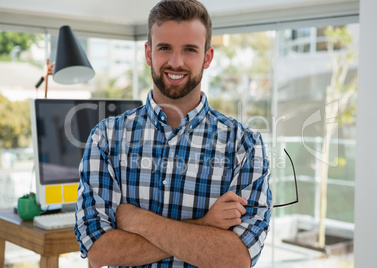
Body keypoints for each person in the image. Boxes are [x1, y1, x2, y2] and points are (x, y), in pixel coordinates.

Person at [74, 0, 272, 267]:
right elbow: (100, 252)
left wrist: (138, 220)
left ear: (207, 57)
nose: (176, 62)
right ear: (148, 54)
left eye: (189, 50)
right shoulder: (106, 138)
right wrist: (204, 225)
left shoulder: (245, 145)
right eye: (165, 48)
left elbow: (236, 258)